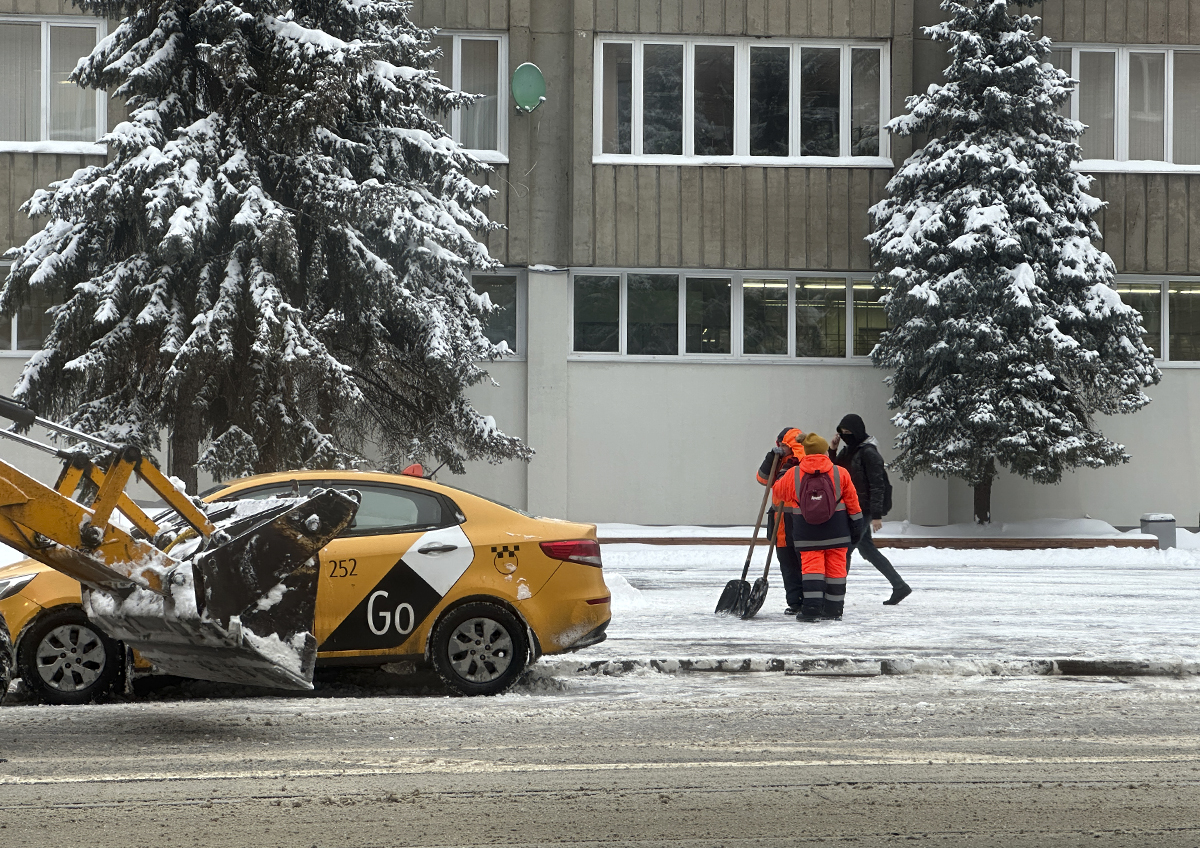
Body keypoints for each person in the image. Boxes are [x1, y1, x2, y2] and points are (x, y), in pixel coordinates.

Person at [772, 432, 863, 622]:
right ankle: (834, 610)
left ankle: (812, 610)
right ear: (824, 451)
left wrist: (784, 470)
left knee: (812, 569)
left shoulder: (794, 473)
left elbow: (778, 492)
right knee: (837, 570)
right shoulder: (840, 472)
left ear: (806, 451)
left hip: (807, 534)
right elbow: (853, 502)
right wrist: (856, 525)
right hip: (838, 532)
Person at [829, 414, 912, 606]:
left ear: (858, 431)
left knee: (846, 549)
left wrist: (876, 516)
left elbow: (878, 485)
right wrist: (832, 450)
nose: (845, 436)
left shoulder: (869, 453)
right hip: (852, 506)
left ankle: (835, 594)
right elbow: (834, 472)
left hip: (863, 509)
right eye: (842, 432)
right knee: (867, 549)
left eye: (849, 432)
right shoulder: (848, 450)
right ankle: (899, 586)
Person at [755, 428, 805, 615]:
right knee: (786, 563)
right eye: (780, 444)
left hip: (798, 520)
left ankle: (808, 600)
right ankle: (794, 602)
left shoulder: (803, 461)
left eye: (784, 444)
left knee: (802, 562)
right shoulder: (779, 461)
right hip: (780, 520)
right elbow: (762, 479)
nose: (781, 447)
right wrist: (770, 458)